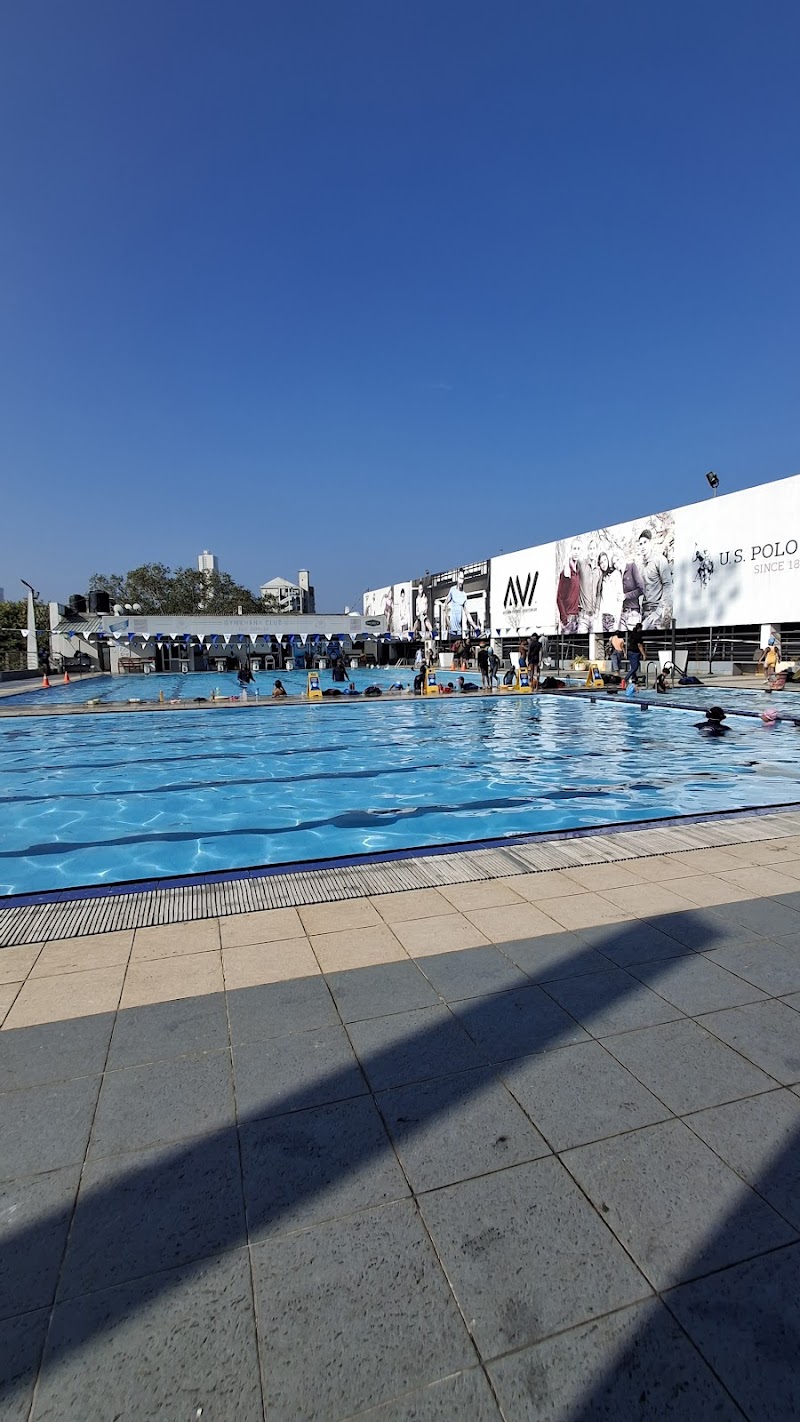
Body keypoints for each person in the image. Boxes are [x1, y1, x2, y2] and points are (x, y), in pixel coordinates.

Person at [637, 528, 673, 630]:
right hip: (644, 611)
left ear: (651, 543)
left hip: (656, 611)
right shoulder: (640, 566)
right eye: (640, 544)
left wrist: (658, 611)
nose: (643, 546)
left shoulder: (660, 560)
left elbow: (668, 585)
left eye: (645, 542)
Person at [597, 552, 624, 632]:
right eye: (601, 562)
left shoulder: (616, 574)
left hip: (613, 616)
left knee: (613, 641)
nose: (603, 564)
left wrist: (617, 617)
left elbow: (620, 596)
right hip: (603, 616)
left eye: (605, 560)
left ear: (608, 560)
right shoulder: (602, 577)